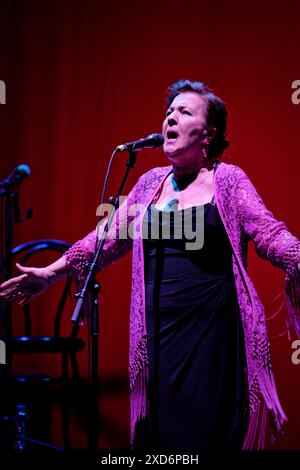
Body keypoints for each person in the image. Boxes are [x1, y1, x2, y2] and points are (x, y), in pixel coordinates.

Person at [0, 79, 299, 450]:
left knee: (205, 436)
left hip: (211, 338)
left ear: (208, 133)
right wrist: (51, 272)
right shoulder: (149, 184)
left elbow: (269, 233)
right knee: (158, 439)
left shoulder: (228, 181)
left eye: (184, 112)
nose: (170, 118)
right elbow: (106, 239)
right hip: (157, 339)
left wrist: (297, 255)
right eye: (168, 112)